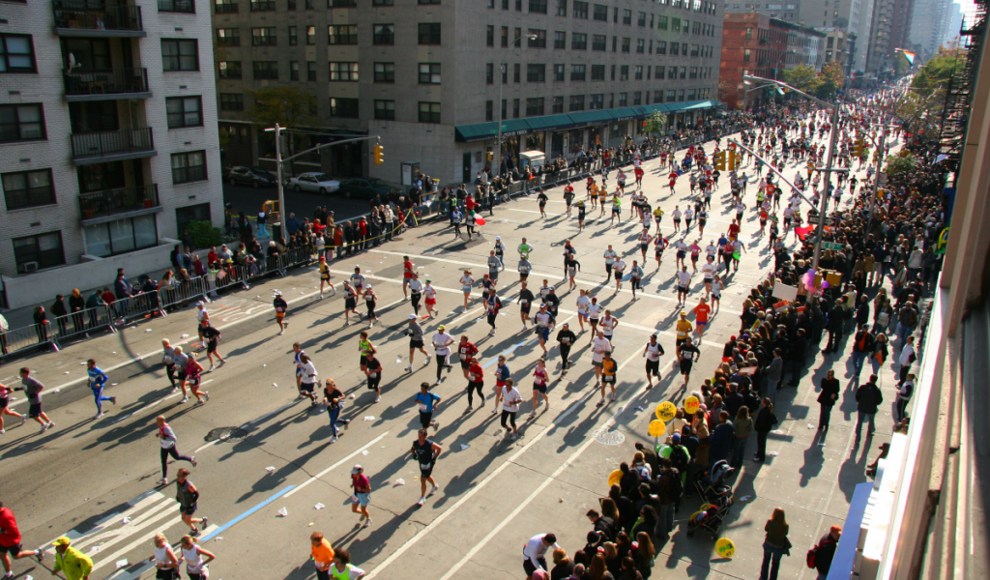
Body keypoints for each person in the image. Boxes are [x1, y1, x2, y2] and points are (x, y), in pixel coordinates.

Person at [0, 502, 42, 577]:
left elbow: (12, 529)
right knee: (2, 555)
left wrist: (2, 531)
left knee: (16, 556)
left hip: (11, 540)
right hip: (2, 539)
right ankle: (9, 574)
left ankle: (37, 552)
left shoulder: (6, 516)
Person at [155, 415, 196, 485]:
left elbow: (174, 438)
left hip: (170, 446)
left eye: (158, 422)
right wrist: (159, 434)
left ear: (162, 421)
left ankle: (190, 459)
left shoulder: (167, 428)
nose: (156, 423)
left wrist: (164, 438)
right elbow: (163, 434)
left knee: (177, 457)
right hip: (164, 447)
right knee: (163, 462)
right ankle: (164, 478)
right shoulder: (161, 426)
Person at [410, 428, 442, 506]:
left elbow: (439, 448)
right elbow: (412, 449)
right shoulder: (416, 443)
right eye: (419, 436)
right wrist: (414, 454)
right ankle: (434, 486)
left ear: (425, 436)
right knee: (427, 476)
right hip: (422, 463)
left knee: (423, 479)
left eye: (421, 436)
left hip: (428, 463)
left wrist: (434, 457)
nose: (419, 438)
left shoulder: (430, 444)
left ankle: (422, 497)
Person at [15, 367, 53, 432]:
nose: (19, 374)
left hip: (35, 400)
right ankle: (50, 422)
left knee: (32, 415)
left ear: (25, 374)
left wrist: (34, 393)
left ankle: (43, 424)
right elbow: (25, 387)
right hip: (32, 400)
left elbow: (41, 386)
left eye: (21, 373)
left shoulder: (31, 380)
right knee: (39, 412)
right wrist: (19, 389)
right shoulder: (24, 379)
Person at [759, 508, 790, 580]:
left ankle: (763, 577)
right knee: (775, 564)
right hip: (779, 546)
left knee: (766, 560)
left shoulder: (770, 522)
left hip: (769, 543)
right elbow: (786, 533)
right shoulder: (785, 525)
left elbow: (766, 529)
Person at [175, 469, 208, 535]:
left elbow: (196, 494)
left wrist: (192, 503)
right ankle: (194, 529)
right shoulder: (178, 482)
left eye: (179, 476)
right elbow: (179, 490)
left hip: (189, 505)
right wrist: (177, 496)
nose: (177, 477)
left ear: (184, 477)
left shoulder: (189, 486)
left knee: (187, 520)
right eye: (177, 475)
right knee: (183, 518)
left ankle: (202, 521)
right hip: (183, 503)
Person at [855, 374, 883, 442]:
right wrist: (874, 403)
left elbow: (857, 396)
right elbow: (879, 400)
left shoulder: (863, 387)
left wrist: (860, 402)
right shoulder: (876, 390)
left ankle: (858, 438)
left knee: (860, 422)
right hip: (871, 408)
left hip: (862, 407)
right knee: (871, 420)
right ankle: (870, 431)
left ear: (870, 379)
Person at [753, 398, 778, 462]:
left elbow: (762, 421)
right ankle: (759, 453)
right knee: (761, 442)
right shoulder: (769, 410)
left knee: (761, 443)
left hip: (762, 430)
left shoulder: (764, 411)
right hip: (766, 429)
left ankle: (761, 457)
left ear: (764, 403)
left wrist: (758, 427)